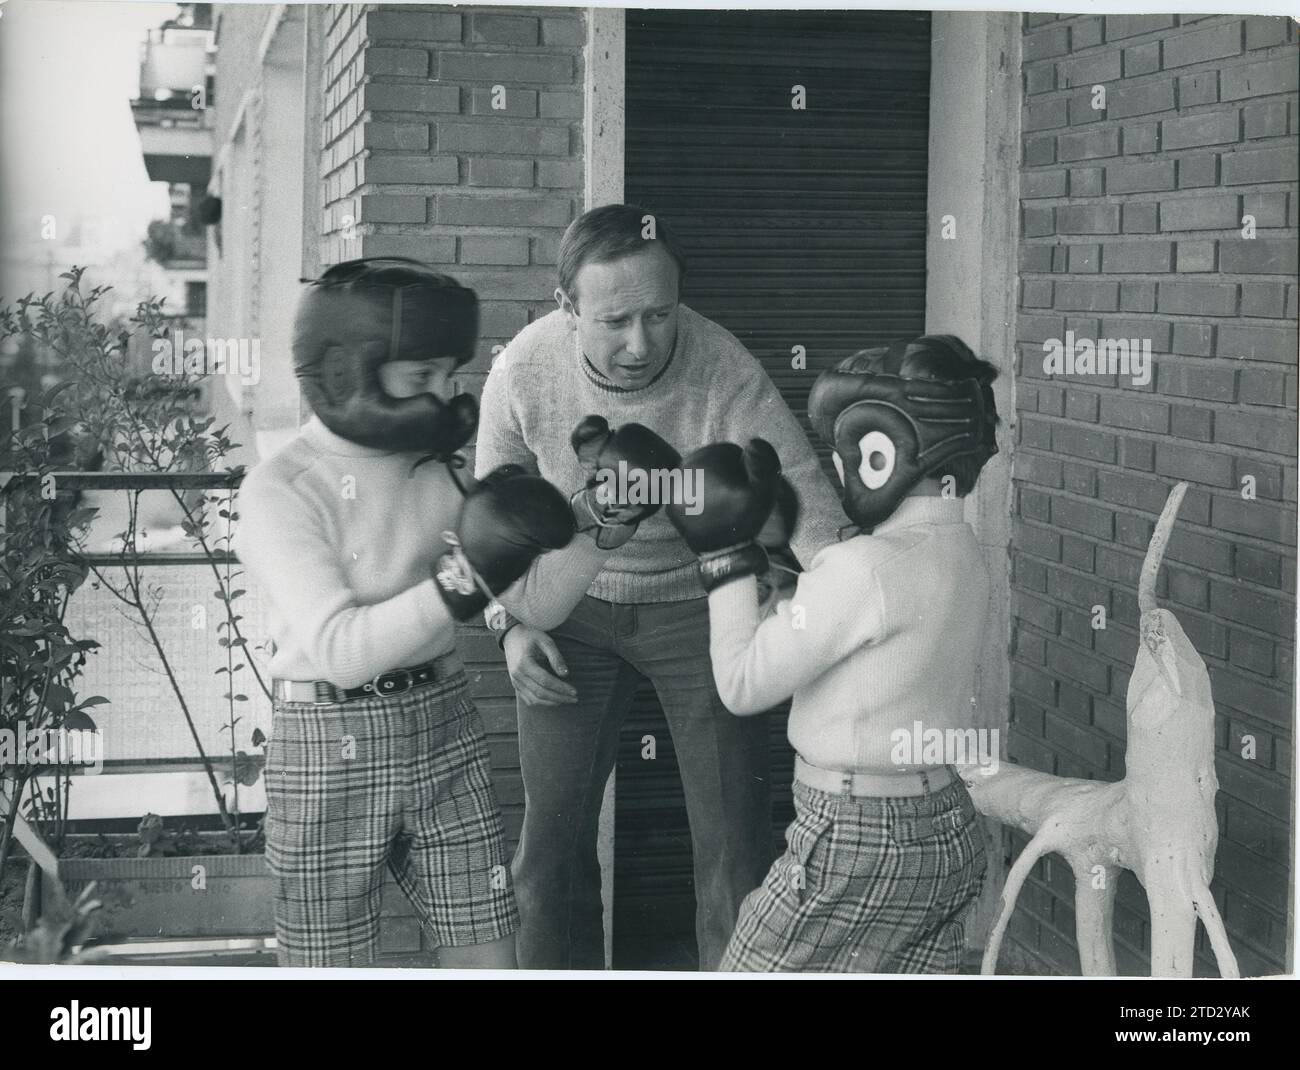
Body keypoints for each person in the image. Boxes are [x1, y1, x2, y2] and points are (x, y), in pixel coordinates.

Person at [234, 257, 662, 967]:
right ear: (347, 372)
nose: (443, 397)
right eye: (420, 378)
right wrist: (462, 579)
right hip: (326, 735)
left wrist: (604, 523)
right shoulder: (280, 489)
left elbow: (532, 604)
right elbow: (341, 646)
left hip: (444, 722)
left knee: (489, 958)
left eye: (446, 376)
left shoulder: (438, 472)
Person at [474, 204, 845, 969]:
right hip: (571, 611)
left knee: (736, 847)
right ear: (566, 307)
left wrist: (865, 593)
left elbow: (808, 503)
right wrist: (509, 626)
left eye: (659, 314)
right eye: (613, 320)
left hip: (700, 609)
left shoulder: (723, 364)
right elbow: (493, 520)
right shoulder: (521, 369)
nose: (640, 343)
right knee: (548, 852)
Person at [667, 334, 1000, 972]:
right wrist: (781, 577)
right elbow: (871, 632)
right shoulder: (964, 554)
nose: (839, 471)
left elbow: (741, 686)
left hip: (855, 832)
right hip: (946, 827)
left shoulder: (860, 568)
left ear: (884, 448)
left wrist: (725, 554)